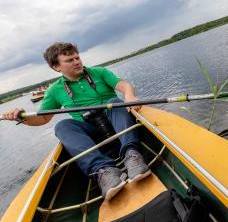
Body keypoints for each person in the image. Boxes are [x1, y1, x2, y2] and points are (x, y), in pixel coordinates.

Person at [2, 42, 151, 201]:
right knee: (62, 126)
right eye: (69, 60)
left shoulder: (99, 72)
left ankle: (132, 155)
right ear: (56, 67)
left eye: (77, 57)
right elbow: (43, 118)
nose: (77, 62)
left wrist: (129, 96)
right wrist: (22, 117)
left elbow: (124, 85)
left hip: (118, 125)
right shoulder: (54, 90)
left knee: (115, 101)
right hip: (94, 137)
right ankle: (105, 171)